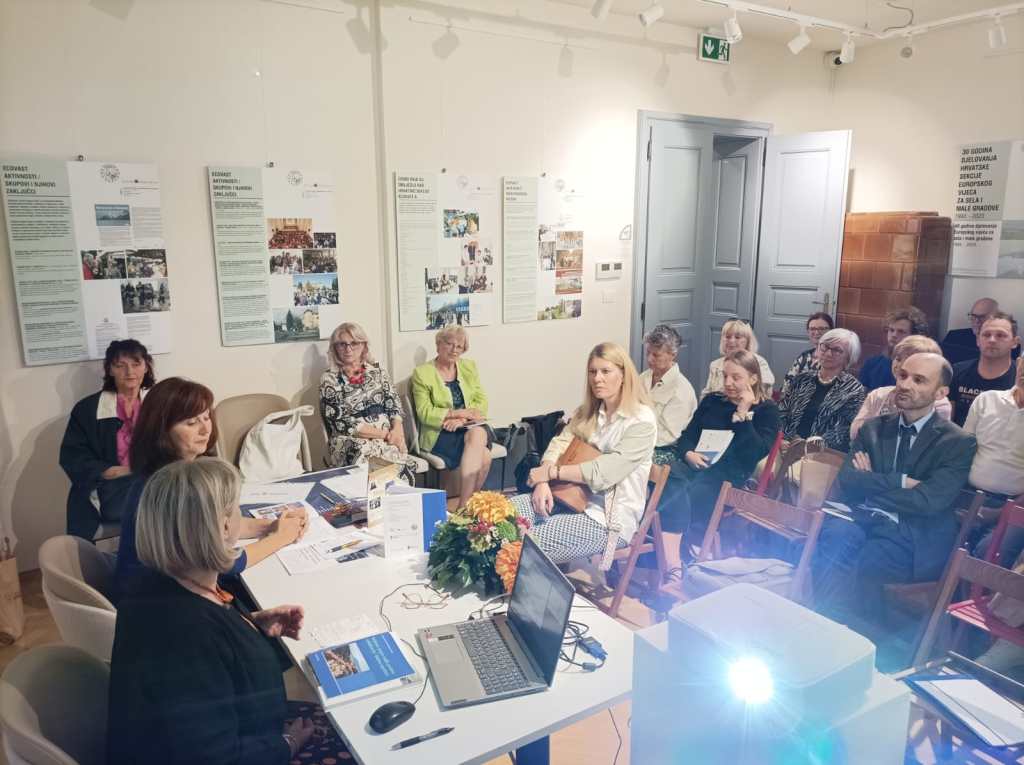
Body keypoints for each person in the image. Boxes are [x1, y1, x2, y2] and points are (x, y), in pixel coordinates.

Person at [107, 457, 347, 764]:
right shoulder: (185, 636)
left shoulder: (159, 585)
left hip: (243, 732)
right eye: (236, 510)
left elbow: (213, 651)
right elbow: (214, 757)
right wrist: (287, 744)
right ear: (223, 526)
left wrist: (250, 624)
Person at [811, 353, 976, 629]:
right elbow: (849, 480)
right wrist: (900, 481)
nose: (905, 384)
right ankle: (823, 625)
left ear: (940, 393)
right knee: (832, 536)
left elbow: (928, 501)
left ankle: (860, 638)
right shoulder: (873, 428)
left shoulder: (958, 442)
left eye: (919, 380)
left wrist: (871, 481)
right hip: (862, 517)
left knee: (868, 562)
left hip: (913, 531)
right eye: (903, 375)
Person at [114, 377, 306, 600]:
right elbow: (224, 562)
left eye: (206, 417)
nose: (205, 429)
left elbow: (218, 527)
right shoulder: (172, 488)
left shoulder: (173, 472)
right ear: (161, 429)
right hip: (155, 600)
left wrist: (271, 526)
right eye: (191, 423)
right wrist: (280, 538)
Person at [519, 342, 656, 567]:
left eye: (605, 371)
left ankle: (517, 584)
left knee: (525, 545)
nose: (597, 378)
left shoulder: (641, 421)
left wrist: (551, 473)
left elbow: (603, 473)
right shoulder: (589, 411)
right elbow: (559, 444)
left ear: (623, 374)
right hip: (568, 496)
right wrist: (543, 482)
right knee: (497, 518)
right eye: (593, 372)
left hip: (606, 518)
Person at [660, 350, 781, 574]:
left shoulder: (767, 411)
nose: (728, 383)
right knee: (664, 479)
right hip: (694, 465)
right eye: (725, 376)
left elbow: (754, 453)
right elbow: (687, 437)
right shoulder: (712, 401)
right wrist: (689, 454)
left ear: (753, 378)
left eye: (736, 377)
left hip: (727, 477)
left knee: (681, 497)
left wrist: (743, 413)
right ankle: (675, 553)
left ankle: (670, 555)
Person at [59, 339, 155, 540]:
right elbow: (73, 457)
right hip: (112, 487)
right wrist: (118, 471)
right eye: (120, 365)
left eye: (136, 364)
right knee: (167, 506)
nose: (130, 372)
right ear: (110, 369)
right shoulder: (87, 409)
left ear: (146, 366)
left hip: (155, 481)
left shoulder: (160, 403)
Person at [319, 322, 418, 478]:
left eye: (354, 343)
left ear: (364, 346)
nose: (348, 349)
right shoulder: (329, 379)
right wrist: (386, 435)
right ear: (335, 348)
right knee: (368, 458)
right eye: (342, 344)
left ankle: (394, 492)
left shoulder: (378, 372)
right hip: (351, 440)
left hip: (388, 437)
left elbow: (394, 405)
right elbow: (342, 422)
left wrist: (397, 431)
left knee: (396, 462)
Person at [411, 326, 492, 508]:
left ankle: (464, 506)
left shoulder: (469, 367)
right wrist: (456, 413)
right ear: (438, 345)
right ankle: (468, 506)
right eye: (449, 344)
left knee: (478, 433)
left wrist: (462, 420)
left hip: (469, 426)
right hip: (441, 432)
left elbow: (481, 400)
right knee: (485, 455)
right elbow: (424, 412)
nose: (454, 350)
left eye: (459, 346)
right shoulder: (422, 373)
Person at [778, 328, 865, 453]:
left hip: (822, 454)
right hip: (786, 446)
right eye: (825, 346)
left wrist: (808, 445)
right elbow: (782, 411)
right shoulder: (802, 379)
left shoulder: (854, 390)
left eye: (837, 350)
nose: (828, 353)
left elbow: (844, 431)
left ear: (848, 357)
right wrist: (783, 438)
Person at [850, 335, 952, 439]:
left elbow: (927, 440)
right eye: (898, 359)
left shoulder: (939, 403)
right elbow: (855, 433)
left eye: (909, 360)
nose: (899, 365)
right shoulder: (877, 394)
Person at [638, 324, 697, 463]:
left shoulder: (681, 390)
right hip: (640, 438)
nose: (649, 359)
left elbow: (668, 437)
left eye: (656, 355)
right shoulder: (644, 377)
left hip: (666, 449)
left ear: (673, 354)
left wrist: (635, 439)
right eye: (648, 353)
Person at [949, 312, 1019, 426]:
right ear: (978, 340)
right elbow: (947, 421)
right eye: (986, 335)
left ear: (1015, 342)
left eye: (1000, 335)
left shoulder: (1020, 378)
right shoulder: (957, 371)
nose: (992, 340)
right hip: (959, 436)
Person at [858, 307, 929, 391]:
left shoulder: (923, 368)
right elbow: (859, 395)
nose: (894, 335)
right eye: (891, 330)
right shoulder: (872, 363)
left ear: (914, 335)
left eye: (901, 331)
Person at [701, 319, 775, 399]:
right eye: (728, 337)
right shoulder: (715, 365)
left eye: (737, 337)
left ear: (748, 341)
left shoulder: (758, 362)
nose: (731, 341)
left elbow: (764, 392)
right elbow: (706, 394)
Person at [780, 312, 834, 398]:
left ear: (831, 331)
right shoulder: (804, 357)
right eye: (812, 329)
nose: (817, 332)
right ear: (808, 332)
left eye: (822, 328)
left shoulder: (835, 358)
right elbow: (787, 383)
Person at [942, 297, 998, 364]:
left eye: (982, 317)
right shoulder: (954, 337)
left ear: (995, 318)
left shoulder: (1003, 344)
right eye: (973, 316)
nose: (977, 321)